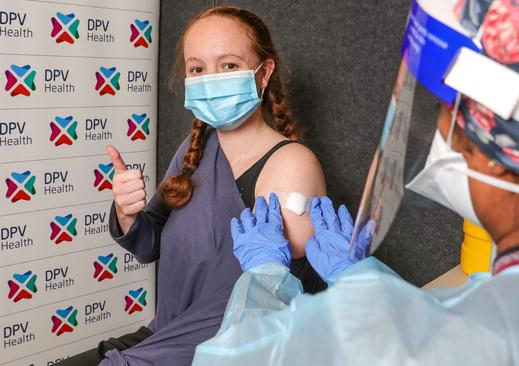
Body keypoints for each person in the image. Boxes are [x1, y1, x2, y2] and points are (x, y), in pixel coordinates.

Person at [191, 0, 519, 365]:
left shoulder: (494, 341)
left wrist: (265, 279)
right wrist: (362, 279)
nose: (451, 145)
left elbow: (236, 359)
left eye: (455, 126)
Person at [57, 6, 326, 366]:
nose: (211, 79)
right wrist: (127, 212)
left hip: (222, 354)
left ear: (264, 73)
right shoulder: (194, 150)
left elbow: (260, 312)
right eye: (197, 68)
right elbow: (149, 243)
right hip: (163, 335)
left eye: (228, 65)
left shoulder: (292, 165)